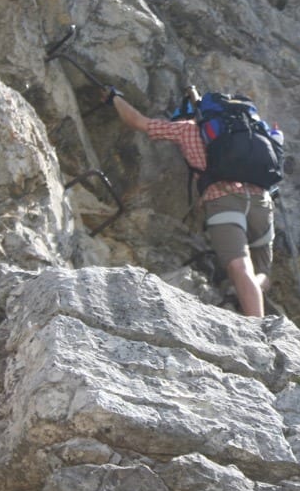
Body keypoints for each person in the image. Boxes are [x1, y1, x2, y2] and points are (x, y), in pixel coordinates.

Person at [103, 84, 275, 317]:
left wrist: (114, 98)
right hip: (262, 203)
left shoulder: (187, 129)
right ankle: (244, 293)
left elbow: (138, 121)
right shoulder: (252, 132)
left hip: (223, 200)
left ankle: (256, 327)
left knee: (239, 266)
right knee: (261, 271)